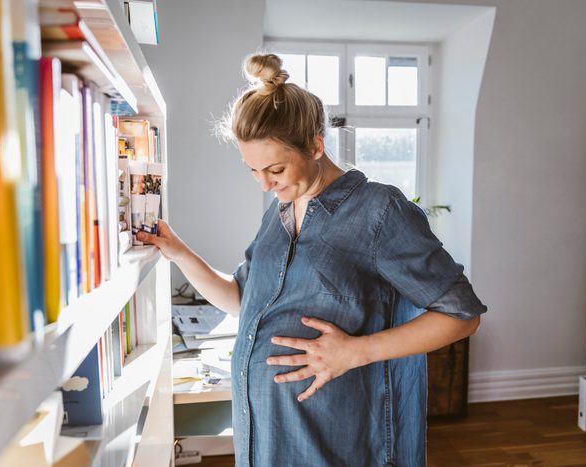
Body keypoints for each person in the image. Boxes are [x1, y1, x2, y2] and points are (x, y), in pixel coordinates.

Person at [136, 53, 487, 467]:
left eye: (276, 169)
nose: (265, 184)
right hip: (267, 442)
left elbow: (462, 314)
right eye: (252, 170)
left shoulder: (379, 211)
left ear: (316, 146)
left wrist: (354, 352)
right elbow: (242, 300)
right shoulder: (279, 212)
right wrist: (178, 252)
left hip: (338, 443)